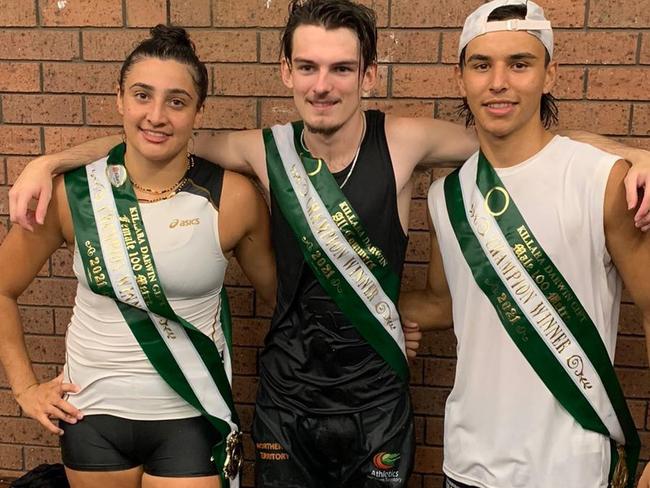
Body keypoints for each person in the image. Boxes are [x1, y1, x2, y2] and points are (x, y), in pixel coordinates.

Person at [5, 1, 650, 487]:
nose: (323, 84)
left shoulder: (407, 143)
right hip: (286, 400)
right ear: (286, 70)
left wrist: (630, 152)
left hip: (378, 405)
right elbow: (163, 140)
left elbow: (516, 139)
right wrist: (52, 161)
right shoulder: (263, 149)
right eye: (308, 66)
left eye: (342, 68)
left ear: (368, 73)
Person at [0, 26, 275, 488]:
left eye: (176, 100)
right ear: (120, 100)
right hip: (92, 418)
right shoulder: (73, 195)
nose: (156, 115)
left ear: (197, 112)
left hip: (191, 413)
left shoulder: (234, 198)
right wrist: (25, 388)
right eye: (142, 95)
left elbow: (282, 299)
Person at [400, 2, 650, 487]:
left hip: (569, 470)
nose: (499, 82)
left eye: (519, 63)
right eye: (481, 64)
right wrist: (369, 311)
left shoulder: (601, 180)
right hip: (468, 466)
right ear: (460, 78)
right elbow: (444, 304)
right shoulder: (446, 197)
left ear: (549, 73)